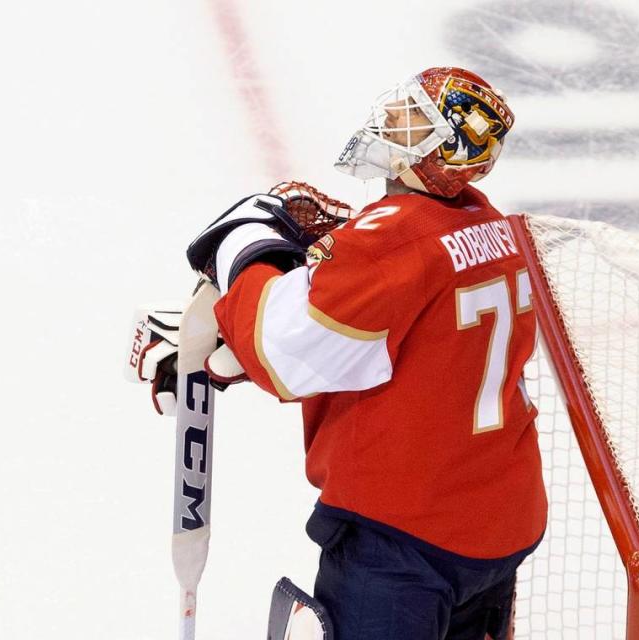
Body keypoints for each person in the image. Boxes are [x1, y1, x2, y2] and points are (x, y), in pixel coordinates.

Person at [140, 67, 546, 640]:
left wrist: (246, 242)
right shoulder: (494, 227)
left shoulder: (389, 243)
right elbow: (411, 349)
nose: (389, 123)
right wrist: (234, 352)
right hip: (501, 519)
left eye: (411, 120)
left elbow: (280, 349)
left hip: (408, 541)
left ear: (435, 152)